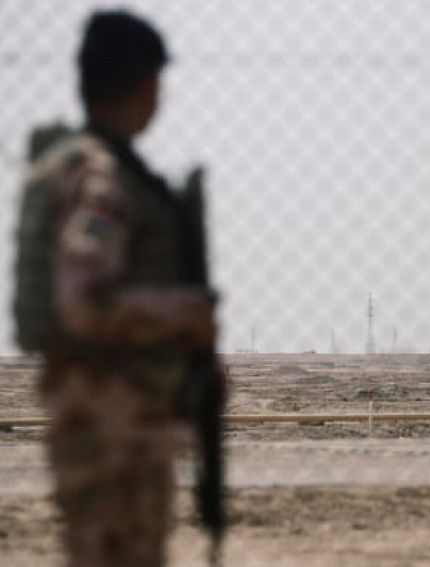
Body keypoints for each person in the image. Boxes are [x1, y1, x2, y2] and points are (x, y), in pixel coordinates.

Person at [15, 11, 219, 566]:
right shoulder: (103, 183)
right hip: (111, 426)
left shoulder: (82, 167)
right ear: (145, 82)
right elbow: (84, 301)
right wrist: (185, 312)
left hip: (109, 420)